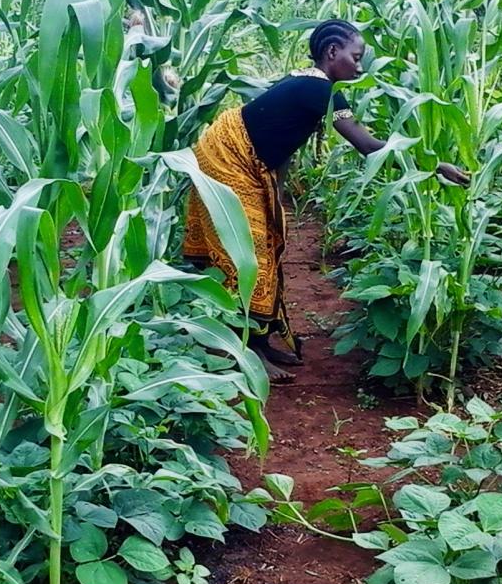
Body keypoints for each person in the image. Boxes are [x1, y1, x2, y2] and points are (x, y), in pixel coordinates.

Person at [182, 20, 471, 382]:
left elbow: (281, 141)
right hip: (227, 157)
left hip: (246, 160)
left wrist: (276, 196)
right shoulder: (321, 91)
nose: (360, 66)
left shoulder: (312, 85)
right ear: (332, 53)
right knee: (248, 254)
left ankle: (261, 339)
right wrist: (434, 166)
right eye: (356, 57)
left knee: (269, 243)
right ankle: (246, 351)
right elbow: (368, 147)